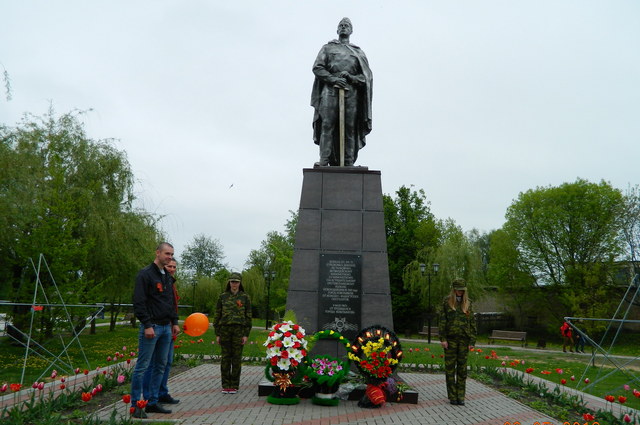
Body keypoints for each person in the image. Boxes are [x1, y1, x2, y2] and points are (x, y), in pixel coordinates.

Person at [311, 17, 372, 166]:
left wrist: (351, 77)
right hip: (330, 90)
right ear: (337, 30)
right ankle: (324, 161)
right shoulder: (328, 48)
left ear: (351, 31)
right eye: (341, 25)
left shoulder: (358, 52)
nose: (344, 27)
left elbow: (365, 77)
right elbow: (317, 68)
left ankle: (349, 162)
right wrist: (333, 79)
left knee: (350, 127)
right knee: (327, 124)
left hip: (351, 93)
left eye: (347, 26)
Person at [130, 242, 180, 418]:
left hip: (166, 327)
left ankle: (152, 402)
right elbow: (139, 302)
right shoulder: (145, 275)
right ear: (157, 252)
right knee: (143, 367)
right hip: (152, 327)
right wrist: (147, 324)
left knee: (160, 365)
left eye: (172, 254)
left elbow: (169, 302)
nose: (169, 257)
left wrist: (174, 322)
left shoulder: (166, 276)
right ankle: (136, 405)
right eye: (167, 253)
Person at [143, 258, 180, 405]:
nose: (171, 269)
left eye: (174, 267)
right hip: (157, 325)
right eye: (169, 266)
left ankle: (162, 392)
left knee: (166, 362)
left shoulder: (170, 283)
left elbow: (172, 306)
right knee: (152, 364)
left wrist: (174, 323)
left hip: (169, 326)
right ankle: (148, 396)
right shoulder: (156, 280)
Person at [438, 278, 477, 406]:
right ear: (454, 290)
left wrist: (472, 341)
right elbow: (442, 321)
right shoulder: (447, 302)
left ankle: (461, 396)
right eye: (458, 290)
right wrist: (443, 339)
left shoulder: (468, 303)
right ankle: (452, 396)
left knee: (462, 369)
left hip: (464, 341)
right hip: (451, 340)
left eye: (462, 290)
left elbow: (472, 323)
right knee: (450, 369)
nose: (460, 292)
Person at [213, 272, 252, 394]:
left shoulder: (245, 297)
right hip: (225, 330)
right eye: (232, 281)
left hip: (239, 331)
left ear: (240, 283)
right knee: (225, 358)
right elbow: (217, 315)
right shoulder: (223, 297)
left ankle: (234, 385)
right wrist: (217, 333)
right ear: (229, 282)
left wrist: (246, 334)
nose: (234, 284)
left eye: (236, 282)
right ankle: (226, 385)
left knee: (236, 358)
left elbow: (248, 317)